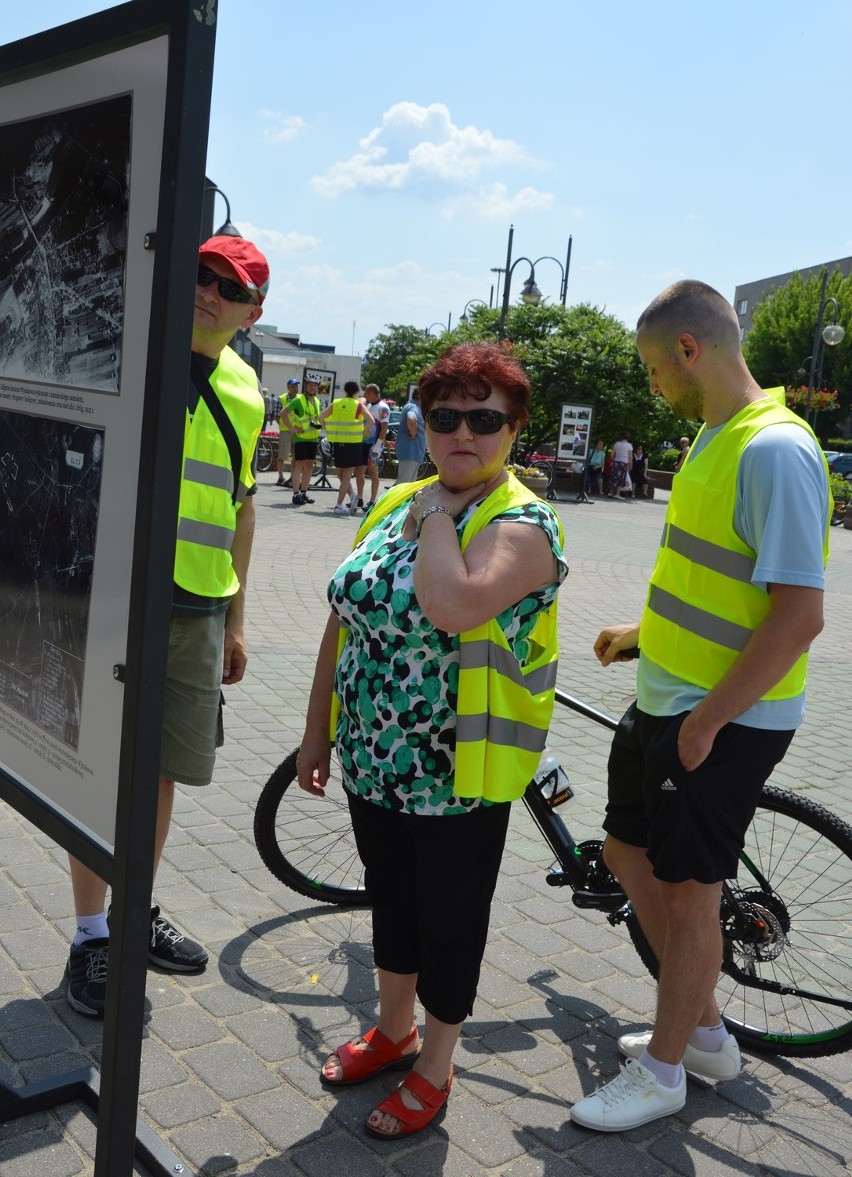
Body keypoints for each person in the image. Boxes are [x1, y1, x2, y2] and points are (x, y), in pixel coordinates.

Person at [569, 280, 830, 1132]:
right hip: (668, 697)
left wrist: (710, 721)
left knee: (690, 894)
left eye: (652, 369)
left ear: (690, 350)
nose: (651, 387)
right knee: (624, 850)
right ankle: (709, 1030)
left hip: (720, 719)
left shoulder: (774, 450)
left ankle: (666, 1070)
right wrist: (642, 632)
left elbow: (799, 615)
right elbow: (721, 583)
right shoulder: (716, 435)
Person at [298, 341, 567, 1141]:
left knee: (449, 921)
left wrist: (440, 522)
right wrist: (318, 729)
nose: (463, 433)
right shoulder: (403, 500)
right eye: (444, 415)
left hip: (459, 772)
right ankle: (392, 1028)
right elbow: (341, 616)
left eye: (485, 419)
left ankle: (436, 1061)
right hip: (374, 759)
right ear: (421, 422)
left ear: (515, 428)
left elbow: (454, 603)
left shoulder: (522, 523)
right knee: (393, 904)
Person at [65, 235, 269, 1016]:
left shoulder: (249, 386)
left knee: (159, 772)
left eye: (231, 286)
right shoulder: (125, 351)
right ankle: (92, 935)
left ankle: (129, 910)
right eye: (200, 274)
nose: (209, 291)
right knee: (101, 772)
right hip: (113, 599)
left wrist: (238, 617)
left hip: (197, 609)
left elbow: (242, 506)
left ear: (255, 309)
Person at [322, 381, 373, 515]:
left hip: (339, 443)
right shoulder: (358, 405)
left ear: (345, 391)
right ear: (356, 392)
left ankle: (347, 499)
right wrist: (364, 430)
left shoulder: (336, 403)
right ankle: (343, 502)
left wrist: (328, 430)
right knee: (346, 475)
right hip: (354, 444)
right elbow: (371, 420)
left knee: (340, 474)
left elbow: (321, 417)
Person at [283, 377, 322, 506]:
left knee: (310, 465)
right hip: (300, 438)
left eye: (315, 385)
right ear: (306, 386)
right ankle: (295, 494)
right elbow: (283, 413)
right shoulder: (298, 399)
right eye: (310, 385)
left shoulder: (317, 401)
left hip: (313, 437)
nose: (312, 387)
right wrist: (291, 429)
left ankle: (304, 493)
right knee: (298, 465)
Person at [361, 382, 390, 510]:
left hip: (374, 444)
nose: (364, 395)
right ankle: (359, 498)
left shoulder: (383, 407)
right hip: (364, 442)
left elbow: (384, 428)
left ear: (371, 393)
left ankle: (372, 501)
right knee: (360, 470)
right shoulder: (368, 405)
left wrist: (378, 446)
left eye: (366, 393)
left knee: (373, 472)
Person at [395, 388, 426, 482]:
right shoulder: (413, 407)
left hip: (412, 452)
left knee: (408, 486)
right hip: (410, 451)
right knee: (404, 485)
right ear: (420, 395)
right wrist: (413, 433)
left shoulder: (413, 405)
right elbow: (411, 418)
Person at [274, 379, 299, 487]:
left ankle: (293, 477)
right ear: (288, 387)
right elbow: (276, 415)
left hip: (297, 431)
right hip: (285, 431)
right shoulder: (282, 399)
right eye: (293, 386)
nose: (296, 388)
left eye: (297, 386)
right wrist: (285, 425)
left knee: (296, 457)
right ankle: (280, 477)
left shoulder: (300, 399)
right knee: (282, 455)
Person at [608, 430, 633, 498]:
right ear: (628, 437)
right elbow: (630, 457)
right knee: (621, 478)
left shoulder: (617, 443)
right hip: (624, 463)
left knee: (614, 477)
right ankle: (617, 494)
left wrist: (613, 460)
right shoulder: (629, 445)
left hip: (616, 462)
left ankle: (611, 492)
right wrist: (629, 465)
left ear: (622, 436)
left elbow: (612, 454)